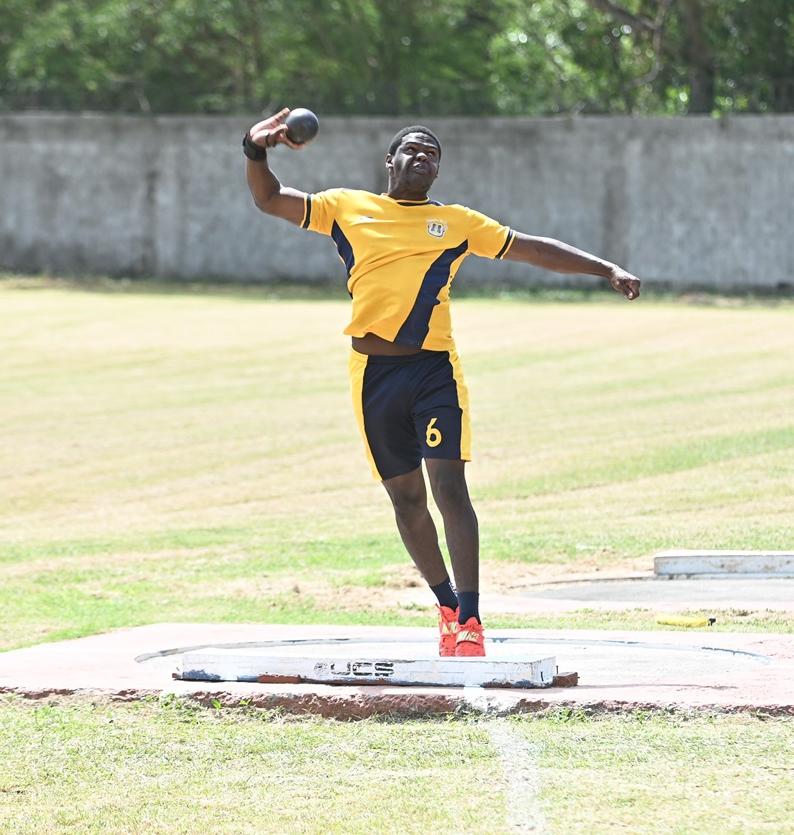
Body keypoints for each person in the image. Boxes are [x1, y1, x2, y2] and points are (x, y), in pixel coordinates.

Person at [243, 107, 640, 658]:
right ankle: (446, 605)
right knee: (406, 500)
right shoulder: (345, 208)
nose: (422, 157)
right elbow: (269, 198)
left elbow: (533, 248)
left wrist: (607, 269)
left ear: (438, 171)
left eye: (433, 154)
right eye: (412, 148)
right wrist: (255, 150)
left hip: (434, 371)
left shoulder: (457, 222)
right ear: (389, 160)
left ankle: (473, 620)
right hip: (373, 376)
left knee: (450, 488)